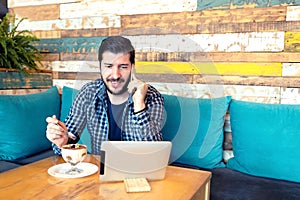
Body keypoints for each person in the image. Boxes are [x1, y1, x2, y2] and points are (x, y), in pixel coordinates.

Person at [46, 36, 164, 155]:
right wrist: (62, 141)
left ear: (132, 68)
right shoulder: (88, 93)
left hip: (138, 171)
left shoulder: (151, 96)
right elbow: (69, 137)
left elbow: (154, 152)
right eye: (108, 66)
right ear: (100, 67)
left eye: (123, 67)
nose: (115, 75)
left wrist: (139, 105)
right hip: (100, 168)